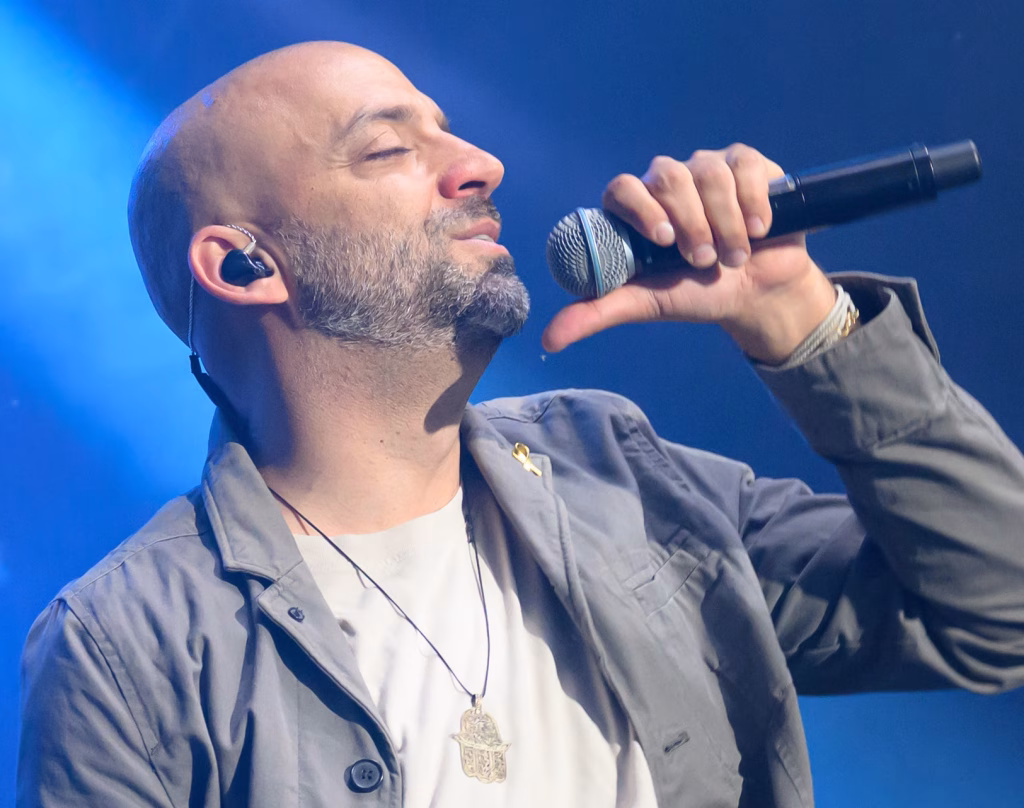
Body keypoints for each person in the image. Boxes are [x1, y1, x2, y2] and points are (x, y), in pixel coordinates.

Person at [16, 40, 1024, 808]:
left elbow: (999, 608)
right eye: (388, 148)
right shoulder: (127, 646)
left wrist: (800, 317)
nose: (481, 165)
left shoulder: (616, 474)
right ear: (246, 264)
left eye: (449, 131)